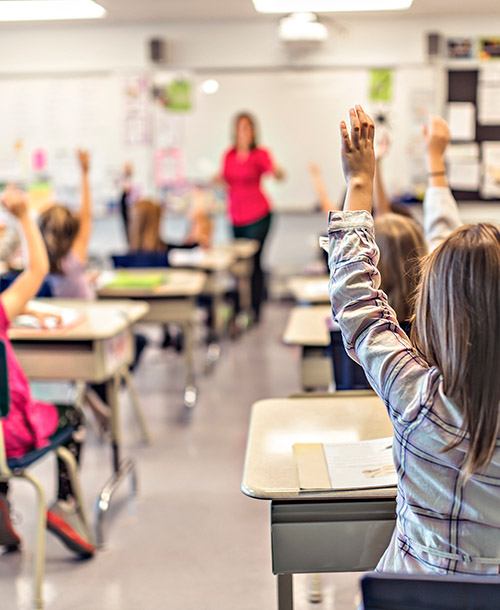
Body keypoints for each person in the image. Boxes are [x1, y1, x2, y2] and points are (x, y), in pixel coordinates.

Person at [328, 104, 500, 575]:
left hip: (409, 594)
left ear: (438, 309)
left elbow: (358, 305)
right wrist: (437, 168)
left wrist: (358, 184)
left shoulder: (416, 397)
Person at [0, 186, 94, 557]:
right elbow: (37, 268)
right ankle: (64, 507)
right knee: (73, 415)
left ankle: (1, 504)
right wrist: (24, 216)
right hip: (14, 434)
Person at [219, 112, 284, 323]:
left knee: (255, 262)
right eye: (240, 127)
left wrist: (277, 171)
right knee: (237, 264)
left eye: (248, 127)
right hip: (236, 216)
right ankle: (238, 307)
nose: (244, 132)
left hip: (258, 215)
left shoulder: (260, 154)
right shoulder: (228, 155)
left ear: (253, 131)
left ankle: (256, 310)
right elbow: (225, 179)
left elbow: (275, 172)